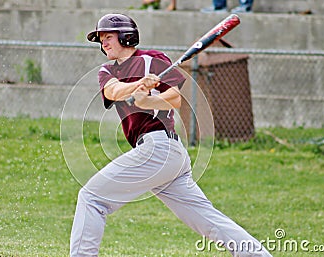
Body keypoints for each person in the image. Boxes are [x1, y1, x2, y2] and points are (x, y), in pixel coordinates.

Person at [69, 13, 272, 256]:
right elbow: (113, 91)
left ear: (126, 36)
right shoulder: (106, 71)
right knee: (208, 220)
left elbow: (174, 99)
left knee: (92, 198)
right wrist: (138, 86)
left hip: (160, 148)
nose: (104, 43)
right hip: (162, 156)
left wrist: (150, 98)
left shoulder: (152, 59)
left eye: (108, 37)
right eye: (101, 39)